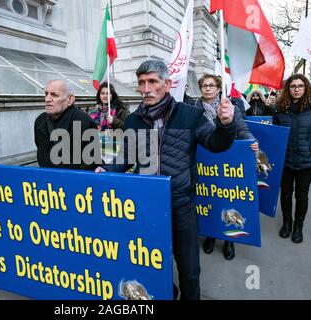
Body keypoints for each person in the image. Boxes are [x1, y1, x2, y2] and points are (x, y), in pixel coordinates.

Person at [95, 59, 236, 300]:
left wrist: (226, 125)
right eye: (141, 83)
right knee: (152, 265)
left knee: (190, 271)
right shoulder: (132, 121)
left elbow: (216, 144)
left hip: (182, 205)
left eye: (153, 82)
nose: (146, 88)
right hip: (147, 207)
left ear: (167, 84)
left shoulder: (191, 115)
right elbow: (126, 157)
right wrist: (107, 170)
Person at [195, 74, 258, 261]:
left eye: (211, 85)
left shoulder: (230, 106)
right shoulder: (193, 108)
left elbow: (242, 128)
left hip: (227, 162)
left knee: (227, 198)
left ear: (218, 88)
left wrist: (250, 140)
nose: (207, 88)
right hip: (204, 163)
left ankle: (229, 240)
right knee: (209, 198)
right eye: (204, 85)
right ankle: (211, 235)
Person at [273, 74, 311, 243]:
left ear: (306, 88)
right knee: (285, 193)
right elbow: (274, 135)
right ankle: (287, 223)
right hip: (286, 160)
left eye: (300, 86)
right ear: (287, 89)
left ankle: (298, 226)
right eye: (292, 86)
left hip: (307, 161)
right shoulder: (280, 109)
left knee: (302, 195)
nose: (296, 89)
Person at [35, 79, 98, 170]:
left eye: (54, 95)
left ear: (70, 99)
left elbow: (90, 162)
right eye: (46, 94)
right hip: (47, 180)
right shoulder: (40, 121)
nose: (47, 99)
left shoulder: (83, 121)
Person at [88, 82, 129, 163]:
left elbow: (128, 128)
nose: (105, 96)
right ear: (99, 95)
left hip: (114, 151)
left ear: (112, 95)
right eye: (103, 93)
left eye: (108, 93)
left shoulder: (121, 109)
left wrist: (114, 121)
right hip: (97, 150)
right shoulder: (93, 111)